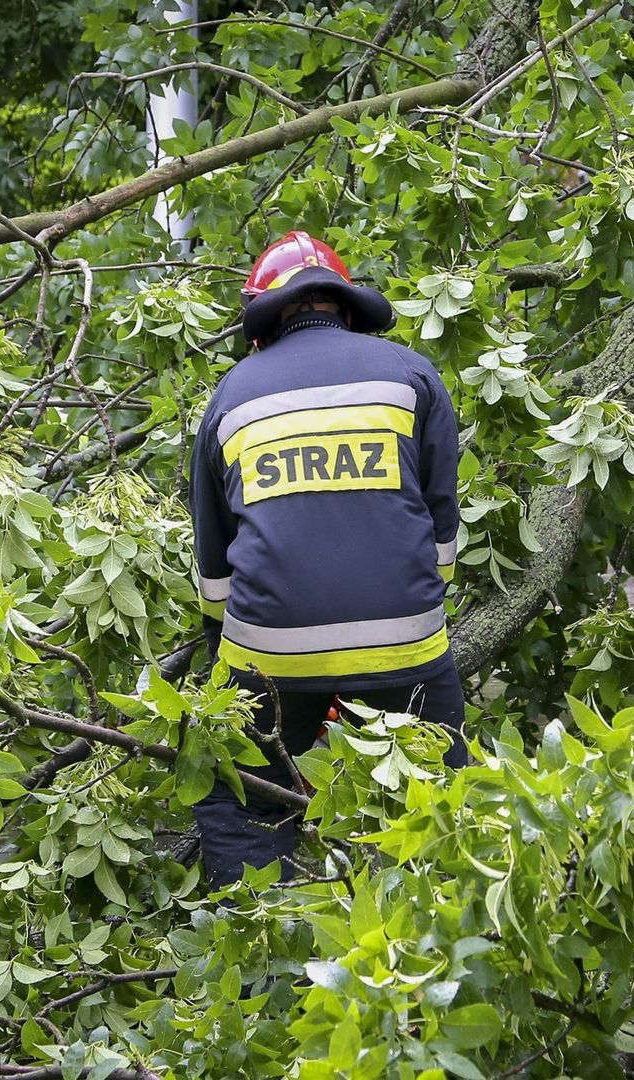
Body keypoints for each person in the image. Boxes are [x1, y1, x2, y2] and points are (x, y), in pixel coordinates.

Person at [188, 230, 466, 888]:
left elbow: (215, 573)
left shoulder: (230, 398)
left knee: (237, 800)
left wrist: (230, 669)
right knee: (439, 803)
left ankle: (263, 950)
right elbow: (442, 532)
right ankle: (438, 934)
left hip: (268, 653)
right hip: (406, 643)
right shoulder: (413, 376)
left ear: (262, 320)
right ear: (347, 308)